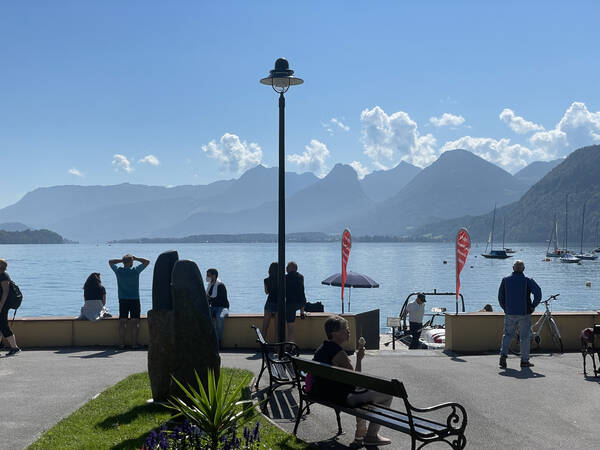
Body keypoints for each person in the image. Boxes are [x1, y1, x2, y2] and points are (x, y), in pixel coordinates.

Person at [309, 315, 392, 447]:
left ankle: (360, 434)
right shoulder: (339, 354)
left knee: (363, 395)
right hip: (339, 398)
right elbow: (355, 381)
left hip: (322, 393)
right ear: (333, 333)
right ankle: (371, 435)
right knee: (387, 394)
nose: (348, 332)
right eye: (345, 329)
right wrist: (359, 359)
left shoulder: (322, 349)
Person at [498, 260, 542, 369]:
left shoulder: (505, 280)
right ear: (523, 269)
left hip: (510, 312)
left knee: (507, 335)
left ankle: (503, 355)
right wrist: (533, 306)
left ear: (513, 268)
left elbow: (500, 296)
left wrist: (505, 308)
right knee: (525, 337)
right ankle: (524, 361)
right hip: (524, 313)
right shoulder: (528, 280)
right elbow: (538, 292)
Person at [108, 254, 150, 349]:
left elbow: (110, 262)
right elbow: (147, 261)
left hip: (123, 299)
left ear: (124, 262)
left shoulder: (119, 271)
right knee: (135, 322)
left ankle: (122, 344)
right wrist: (136, 258)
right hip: (134, 299)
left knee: (122, 322)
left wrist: (121, 260)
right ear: (131, 262)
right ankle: (134, 344)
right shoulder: (135, 271)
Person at [0, 258, 20, 355]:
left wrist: (1, 305)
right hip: (2, 305)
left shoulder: (3, 276)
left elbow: (5, 292)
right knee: (1, 325)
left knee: (4, 326)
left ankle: (14, 348)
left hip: (3, 305)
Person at [206, 268, 229, 347]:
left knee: (219, 317)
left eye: (208, 275)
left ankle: (218, 342)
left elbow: (222, 300)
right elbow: (208, 301)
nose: (207, 277)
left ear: (214, 276)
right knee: (204, 315)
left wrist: (210, 299)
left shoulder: (220, 286)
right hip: (213, 307)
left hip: (222, 307)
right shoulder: (210, 286)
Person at [285, 261, 307, 343]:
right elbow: (301, 291)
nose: (286, 268)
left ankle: (290, 345)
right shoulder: (301, 277)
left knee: (290, 327)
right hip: (301, 302)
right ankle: (302, 312)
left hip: (290, 304)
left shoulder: (285, 278)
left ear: (291, 268)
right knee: (302, 297)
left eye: (287, 267)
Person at [262, 262, 278, 338]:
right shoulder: (282, 279)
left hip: (269, 303)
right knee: (277, 328)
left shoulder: (266, 280)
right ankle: (277, 347)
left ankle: (262, 345)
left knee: (265, 326)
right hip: (279, 303)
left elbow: (266, 292)